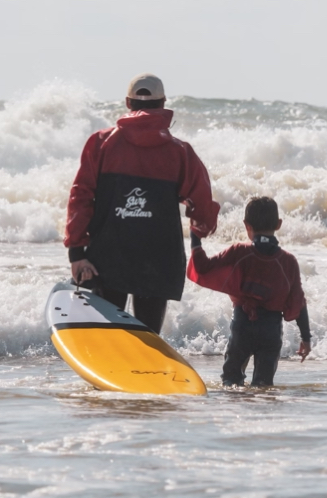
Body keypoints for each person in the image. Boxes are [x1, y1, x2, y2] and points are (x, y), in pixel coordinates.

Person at [64, 74, 220, 333]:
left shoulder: (101, 143)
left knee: (107, 338)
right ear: (163, 103)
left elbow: (80, 197)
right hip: (159, 261)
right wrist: (201, 228)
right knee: (147, 340)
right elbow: (202, 204)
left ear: (127, 102)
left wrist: (77, 253)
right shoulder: (180, 152)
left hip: (107, 257)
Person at [187, 196, 311, 387]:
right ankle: (261, 414)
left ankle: (238, 412)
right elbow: (298, 303)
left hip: (242, 328)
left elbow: (203, 267)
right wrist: (306, 338)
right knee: (263, 386)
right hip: (271, 330)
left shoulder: (239, 253)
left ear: (246, 225)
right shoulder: (288, 262)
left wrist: (195, 234)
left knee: (231, 381)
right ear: (278, 224)